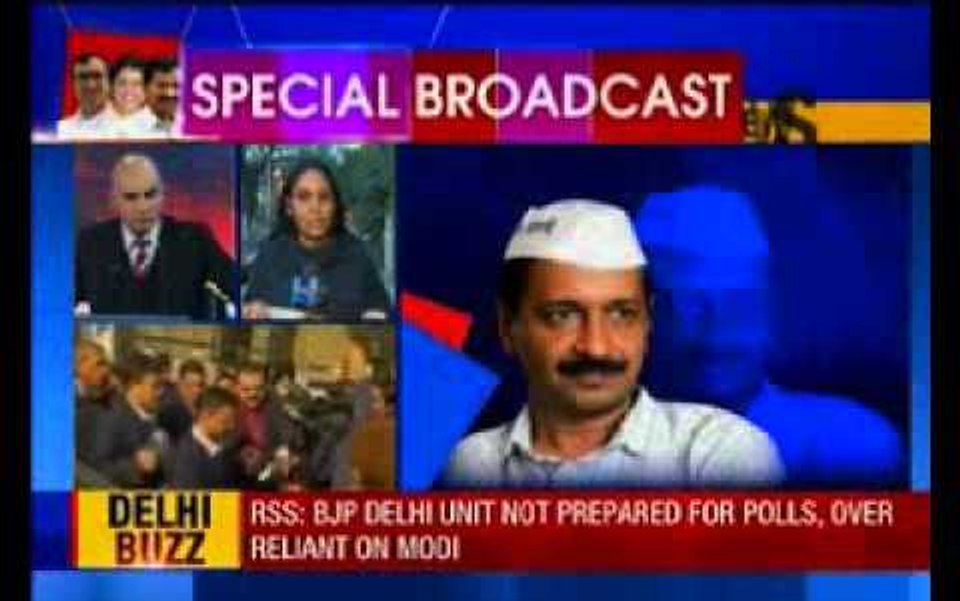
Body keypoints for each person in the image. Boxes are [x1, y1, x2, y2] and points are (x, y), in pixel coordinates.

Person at [442, 199, 783, 488]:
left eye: (621, 314)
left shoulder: (725, 452)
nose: (596, 347)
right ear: (508, 328)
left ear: (647, 323)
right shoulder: (470, 463)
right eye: (562, 316)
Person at [634, 185, 904, 487]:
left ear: (769, 311)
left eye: (739, 304)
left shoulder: (850, 445)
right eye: (691, 305)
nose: (719, 326)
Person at [74, 153, 236, 319]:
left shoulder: (195, 240)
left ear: (162, 195)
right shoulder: (90, 243)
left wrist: (249, 303)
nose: (143, 207)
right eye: (131, 197)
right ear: (114, 200)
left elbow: (237, 284)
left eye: (150, 195)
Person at [242, 159, 391, 322]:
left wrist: (374, 319)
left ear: (335, 205)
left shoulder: (357, 257)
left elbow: (383, 314)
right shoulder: (269, 255)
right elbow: (249, 309)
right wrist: (253, 312)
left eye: (324, 197)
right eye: (304, 197)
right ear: (289, 206)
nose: (315, 207)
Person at [88, 352, 171, 488]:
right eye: (155, 386)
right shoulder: (112, 418)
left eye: (162, 386)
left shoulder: (155, 414)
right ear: (134, 386)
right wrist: (135, 465)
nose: (161, 392)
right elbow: (98, 467)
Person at [231, 363, 298, 488]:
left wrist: (270, 472)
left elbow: (288, 446)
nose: (253, 394)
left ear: (266, 387)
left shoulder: (278, 409)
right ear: (236, 388)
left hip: (268, 478)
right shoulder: (228, 409)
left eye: (258, 389)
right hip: (233, 479)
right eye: (246, 389)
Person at [170, 387, 241, 489]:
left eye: (234, 420)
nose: (232, 426)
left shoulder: (222, 446)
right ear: (206, 415)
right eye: (225, 421)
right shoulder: (187, 457)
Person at [74, 338, 116, 487]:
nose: (105, 371)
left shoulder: (99, 398)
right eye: (99, 364)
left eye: (106, 365)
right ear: (79, 365)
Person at [57, 54, 112, 139]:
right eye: (83, 77)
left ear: (110, 81)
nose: (90, 85)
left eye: (97, 76)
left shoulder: (129, 125)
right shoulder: (60, 131)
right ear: (73, 84)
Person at [102, 56, 154, 138]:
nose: (128, 90)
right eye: (122, 83)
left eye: (136, 84)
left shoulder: (159, 125)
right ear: (111, 87)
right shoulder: (93, 120)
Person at [158, 358, 207, 444]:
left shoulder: (203, 405)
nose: (196, 390)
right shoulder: (168, 408)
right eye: (190, 385)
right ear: (179, 383)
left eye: (200, 385)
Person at [142, 58, 183, 137]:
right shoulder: (128, 130)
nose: (169, 93)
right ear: (145, 88)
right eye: (162, 86)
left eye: (176, 86)